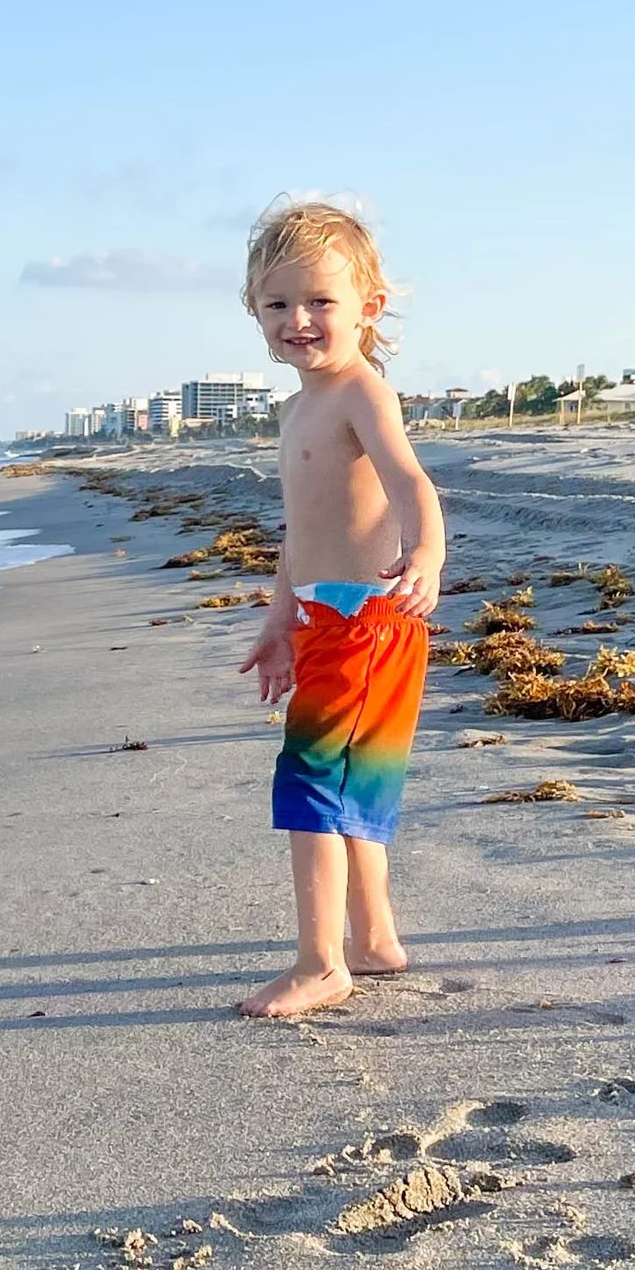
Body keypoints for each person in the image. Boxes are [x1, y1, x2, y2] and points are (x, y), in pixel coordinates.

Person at [233, 199, 446, 1018]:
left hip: (370, 616)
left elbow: (412, 485)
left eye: (321, 300)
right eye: (279, 303)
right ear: (254, 310)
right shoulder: (296, 409)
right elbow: (302, 532)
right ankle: (373, 937)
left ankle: (321, 963)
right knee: (354, 784)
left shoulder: (362, 393)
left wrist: (426, 555)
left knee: (311, 787)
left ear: (369, 307)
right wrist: (280, 619)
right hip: (328, 616)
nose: (300, 319)